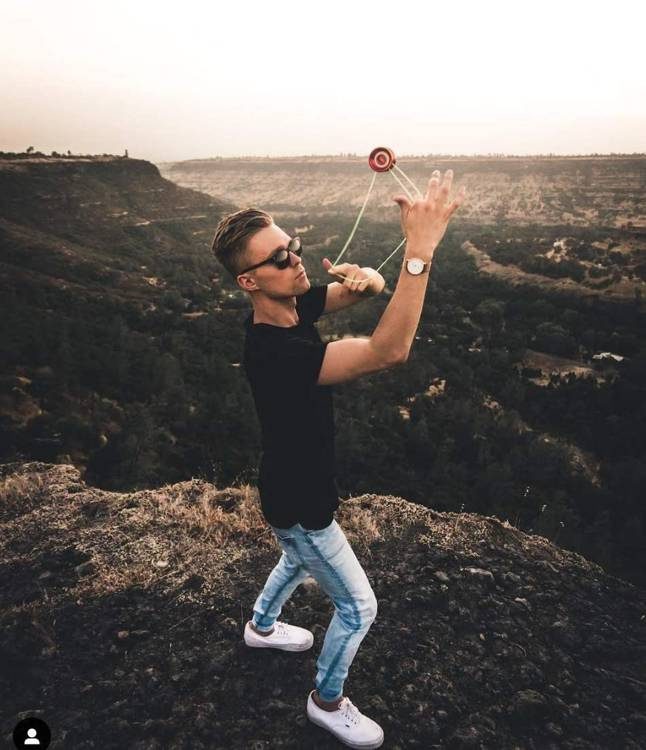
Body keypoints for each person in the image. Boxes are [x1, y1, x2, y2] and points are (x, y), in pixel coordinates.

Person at [211, 168, 465, 748]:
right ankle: (326, 700)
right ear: (249, 281)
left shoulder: (290, 307)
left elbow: (362, 290)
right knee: (357, 607)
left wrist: (369, 279)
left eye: (293, 245)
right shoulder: (276, 353)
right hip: (301, 499)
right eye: (279, 258)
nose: (295, 259)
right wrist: (420, 254)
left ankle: (261, 627)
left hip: (289, 489)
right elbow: (388, 350)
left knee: (297, 558)